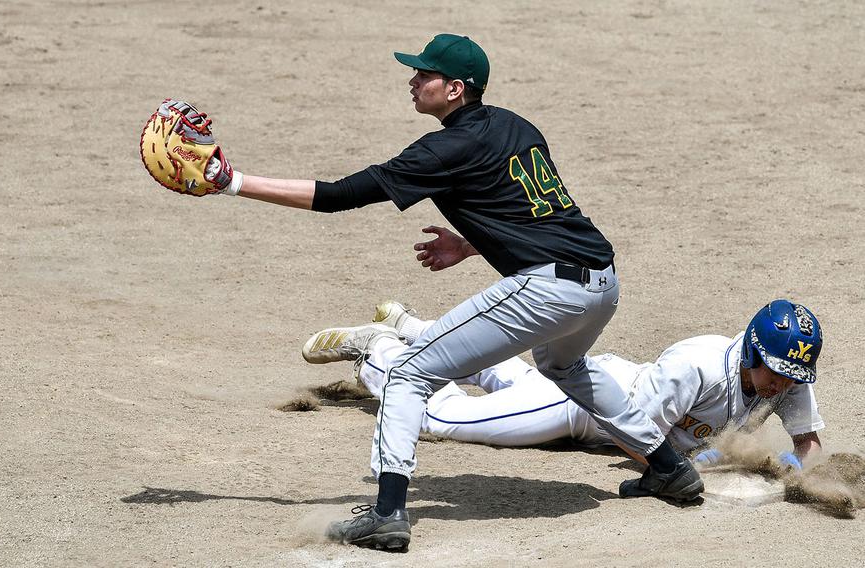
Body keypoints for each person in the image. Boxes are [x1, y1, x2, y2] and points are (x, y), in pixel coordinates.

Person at [157, 33, 703, 550]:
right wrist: (470, 245)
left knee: (410, 372)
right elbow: (532, 210)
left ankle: (387, 513)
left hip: (550, 289)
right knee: (565, 369)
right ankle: (669, 470)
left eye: (424, 73)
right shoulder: (516, 125)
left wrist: (233, 182)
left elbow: (341, 195)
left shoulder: (444, 148)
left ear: (455, 88)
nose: (413, 80)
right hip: (602, 284)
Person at [303, 299, 824, 470]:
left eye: (792, 378)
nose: (783, 386)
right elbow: (634, 438)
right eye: (777, 372)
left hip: (600, 394)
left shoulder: (788, 373)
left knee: (510, 375)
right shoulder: (698, 365)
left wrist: (802, 464)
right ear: (755, 351)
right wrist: (708, 463)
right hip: (588, 408)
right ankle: (380, 351)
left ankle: (417, 330)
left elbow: (809, 442)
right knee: (439, 419)